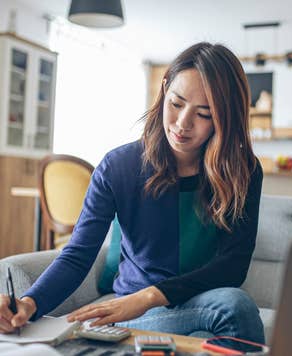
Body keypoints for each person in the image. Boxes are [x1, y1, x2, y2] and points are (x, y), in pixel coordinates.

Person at [0, 42, 264, 342]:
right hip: (140, 314)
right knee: (232, 311)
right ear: (164, 88)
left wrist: (149, 296)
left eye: (203, 114)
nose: (182, 124)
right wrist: (28, 303)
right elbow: (77, 255)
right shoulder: (119, 166)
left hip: (197, 301)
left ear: (224, 118)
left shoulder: (243, 170)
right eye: (176, 103)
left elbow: (233, 265)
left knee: (232, 307)